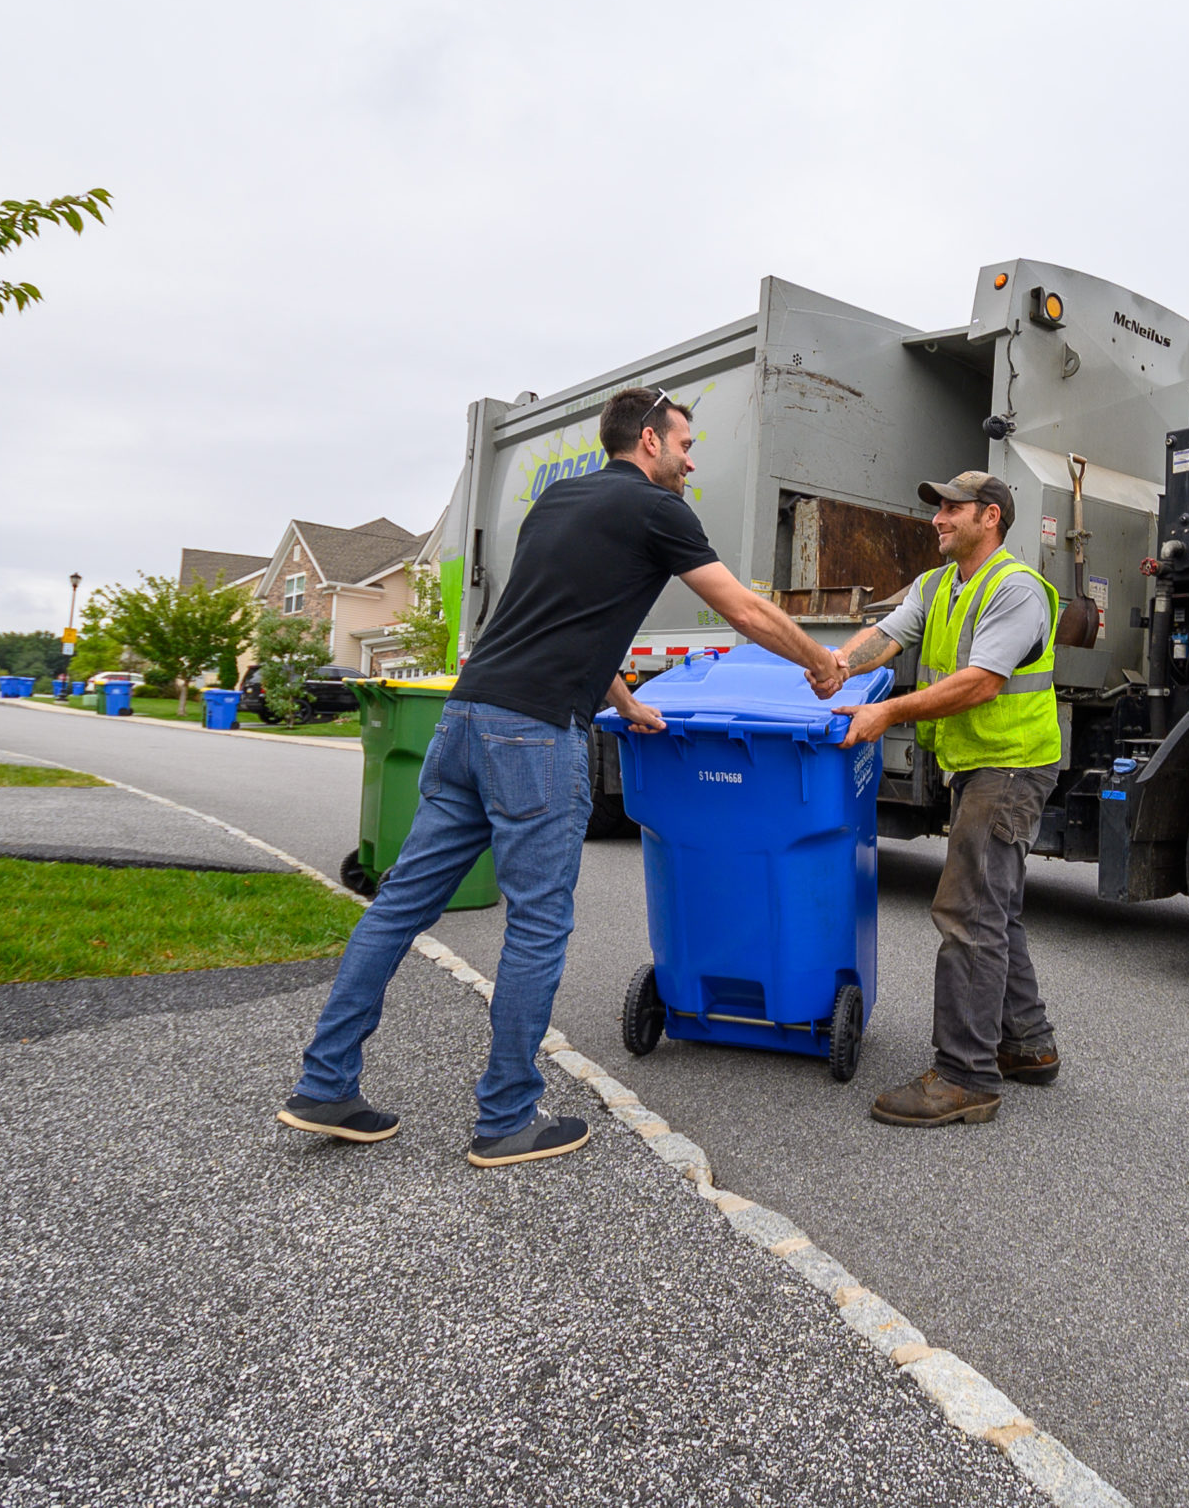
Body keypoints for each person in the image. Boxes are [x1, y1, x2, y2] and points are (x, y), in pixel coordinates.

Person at [279, 386, 846, 1165]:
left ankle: (324, 1082)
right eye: (686, 441)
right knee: (538, 925)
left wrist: (623, 699)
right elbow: (742, 609)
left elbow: (558, 615)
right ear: (649, 441)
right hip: (533, 735)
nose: (691, 456)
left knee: (399, 906)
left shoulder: (556, 501)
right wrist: (821, 662)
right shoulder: (659, 509)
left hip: (467, 720)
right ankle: (507, 1117)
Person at [829, 469, 1063, 1128]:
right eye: (936, 508)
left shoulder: (1014, 588)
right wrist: (835, 665)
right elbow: (888, 635)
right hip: (977, 764)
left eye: (951, 508)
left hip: (1011, 765)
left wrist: (886, 715)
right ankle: (1026, 1042)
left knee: (966, 912)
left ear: (990, 516)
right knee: (994, 907)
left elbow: (980, 683)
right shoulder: (937, 584)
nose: (937, 518)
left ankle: (965, 1075)